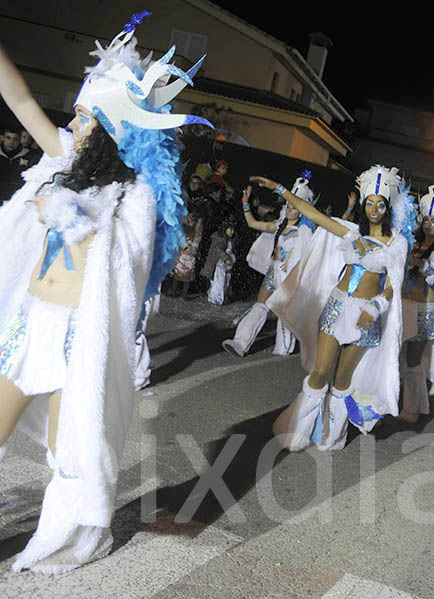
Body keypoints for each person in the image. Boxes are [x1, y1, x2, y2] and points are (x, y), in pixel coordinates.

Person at [0, 11, 210, 573]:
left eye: (85, 117)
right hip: (30, 329)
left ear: (115, 129)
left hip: (76, 342)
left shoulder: (135, 196)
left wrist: (78, 221)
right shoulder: (63, 161)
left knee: (68, 453)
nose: (72, 122)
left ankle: (63, 539)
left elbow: (129, 269)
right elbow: (20, 101)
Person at [267, 165, 414, 451]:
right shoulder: (350, 232)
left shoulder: (398, 243)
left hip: (366, 316)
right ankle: (297, 432)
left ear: (387, 208)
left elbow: (393, 283)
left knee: (342, 380)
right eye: (369, 203)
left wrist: (376, 306)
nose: (374, 209)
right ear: (363, 204)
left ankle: (330, 438)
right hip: (337, 307)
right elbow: (314, 215)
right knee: (320, 371)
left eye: (380, 204)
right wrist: (280, 189)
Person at [222, 173, 317, 357]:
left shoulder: (306, 231)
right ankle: (240, 343)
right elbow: (252, 223)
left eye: (295, 207)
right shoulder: (279, 224)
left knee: (284, 312)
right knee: (260, 305)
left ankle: (283, 347)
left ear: (302, 210)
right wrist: (245, 202)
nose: (290, 209)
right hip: (273, 272)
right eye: (288, 205)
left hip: (290, 277)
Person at [396, 184, 434, 423]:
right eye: (426, 220)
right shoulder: (411, 243)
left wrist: (424, 267)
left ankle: (413, 407)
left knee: (413, 361)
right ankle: (395, 401)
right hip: (403, 306)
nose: (428, 225)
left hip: (425, 311)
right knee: (394, 357)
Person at [204, 217, 237, 305]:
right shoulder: (219, 238)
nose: (232, 232)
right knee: (218, 281)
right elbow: (218, 249)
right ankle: (215, 298)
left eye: (233, 229)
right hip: (219, 264)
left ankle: (222, 297)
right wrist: (225, 258)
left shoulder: (230, 239)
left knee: (225, 281)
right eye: (230, 229)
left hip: (227, 266)